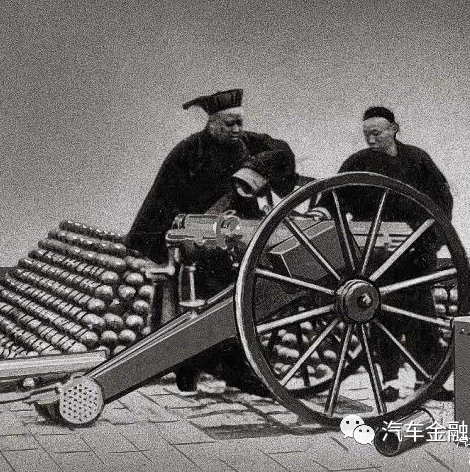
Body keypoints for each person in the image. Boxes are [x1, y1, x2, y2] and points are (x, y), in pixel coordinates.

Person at [126, 88, 298, 394]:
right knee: (196, 306)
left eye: (240, 123)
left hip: (237, 235)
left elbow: (281, 150)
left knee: (233, 302)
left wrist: (255, 168)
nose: (236, 129)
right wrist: (174, 237)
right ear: (212, 123)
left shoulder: (247, 142)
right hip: (197, 237)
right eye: (229, 124)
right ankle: (191, 370)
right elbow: (164, 197)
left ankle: (232, 369)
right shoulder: (188, 151)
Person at [321, 106, 453, 402]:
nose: (370, 139)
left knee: (423, 315)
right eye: (366, 134)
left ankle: (428, 379)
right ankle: (390, 380)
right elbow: (334, 197)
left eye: (376, 133)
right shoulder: (358, 162)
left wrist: (433, 239)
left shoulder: (418, 159)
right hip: (377, 253)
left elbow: (442, 200)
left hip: (416, 250)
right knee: (381, 315)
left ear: (394, 129)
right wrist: (321, 211)